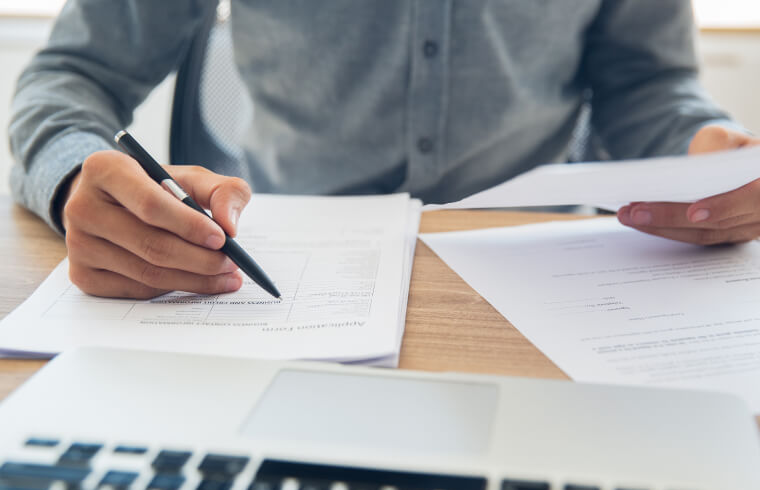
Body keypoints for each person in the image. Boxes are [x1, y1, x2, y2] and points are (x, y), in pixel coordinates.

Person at [9, 0, 760, 299]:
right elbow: (71, 74)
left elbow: (647, 82)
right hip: (281, 269)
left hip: (542, 280)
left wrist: (704, 151)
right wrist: (76, 173)